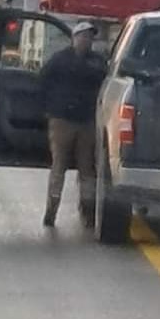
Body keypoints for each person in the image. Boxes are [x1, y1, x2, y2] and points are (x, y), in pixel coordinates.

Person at [39, 22, 107, 228]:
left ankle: (88, 212)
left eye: (89, 37)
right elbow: (43, 81)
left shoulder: (98, 62)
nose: (86, 40)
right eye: (83, 36)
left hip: (87, 122)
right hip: (62, 121)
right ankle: (51, 211)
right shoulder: (59, 60)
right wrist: (50, 108)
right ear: (74, 38)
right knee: (58, 166)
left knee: (87, 169)